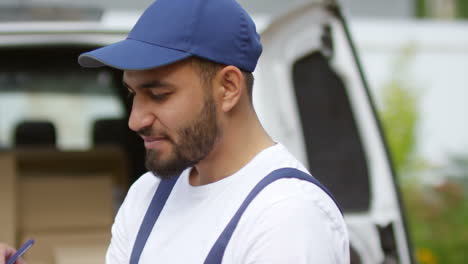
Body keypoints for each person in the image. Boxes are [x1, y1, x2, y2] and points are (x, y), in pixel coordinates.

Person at [2, 0, 349, 263]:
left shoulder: (286, 217)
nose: (135, 120)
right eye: (132, 95)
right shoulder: (148, 195)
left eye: (158, 94)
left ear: (228, 87)